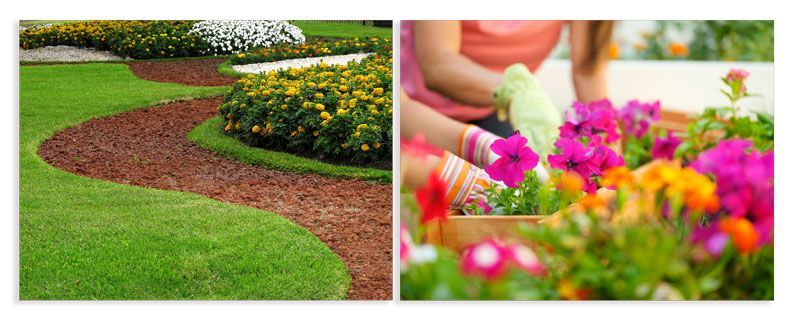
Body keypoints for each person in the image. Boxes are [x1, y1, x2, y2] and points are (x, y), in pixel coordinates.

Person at [400, 20, 614, 137]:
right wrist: (518, 89)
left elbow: (587, 70)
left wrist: (606, 138)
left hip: (492, 112)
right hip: (415, 112)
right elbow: (437, 64)